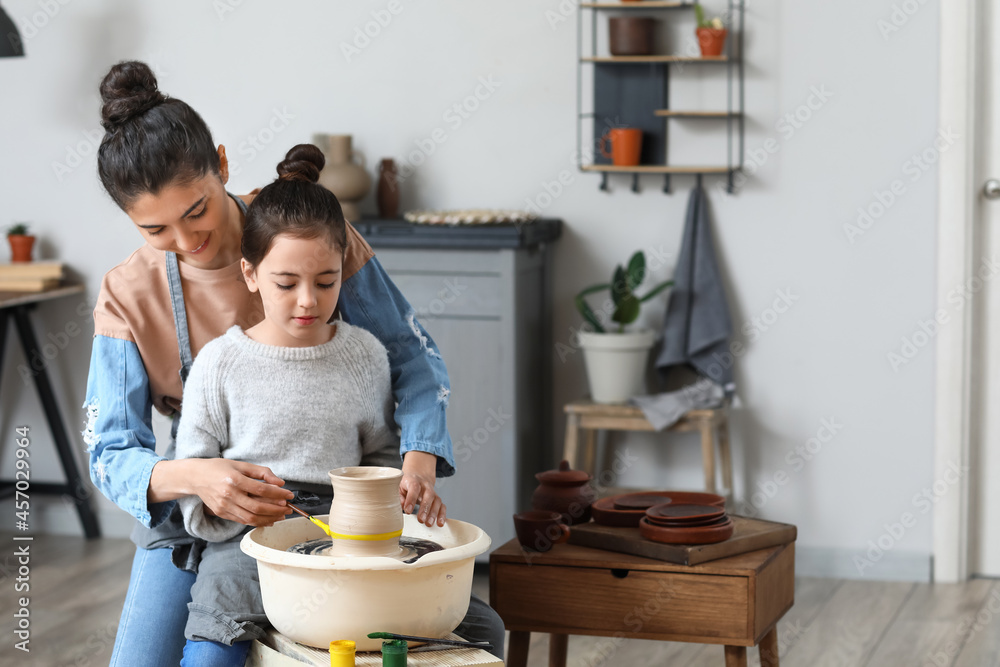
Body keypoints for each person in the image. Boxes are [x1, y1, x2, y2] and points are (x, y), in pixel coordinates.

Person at [83, 61, 503, 666]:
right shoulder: (126, 293)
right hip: (190, 511)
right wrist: (200, 478)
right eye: (155, 229)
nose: (185, 240)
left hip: (327, 502)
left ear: (222, 164)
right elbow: (109, 449)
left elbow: (409, 354)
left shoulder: (300, 229)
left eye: (196, 210)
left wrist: (418, 455)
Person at [174, 143, 407, 665]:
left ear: (342, 270)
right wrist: (230, 509)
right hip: (246, 540)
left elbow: (382, 459)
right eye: (286, 283)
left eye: (325, 282)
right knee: (214, 633)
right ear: (251, 274)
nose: (308, 300)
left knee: (479, 625)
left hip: (344, 532)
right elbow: (193, 473)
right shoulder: (219, 363)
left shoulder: (365, 356)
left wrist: (379, 513)